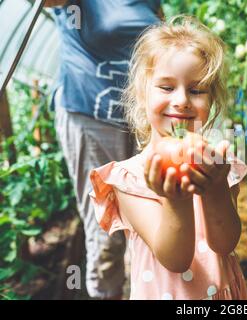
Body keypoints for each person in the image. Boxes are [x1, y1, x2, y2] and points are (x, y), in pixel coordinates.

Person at [89, 16, 247, 300]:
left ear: (211, 100)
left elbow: (225, 244)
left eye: (197, 90)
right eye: (166, 87)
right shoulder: (130, 179)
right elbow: (175, 259)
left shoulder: (219, 164)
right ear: (142, 93)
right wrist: (176, 201)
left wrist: (215, 188)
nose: (182, 100)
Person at [44, 0, 161, 299]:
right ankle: (104, 294)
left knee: (150, 223)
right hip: (88, 114)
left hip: (141, 120)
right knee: (105, 228)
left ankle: (144, 291)